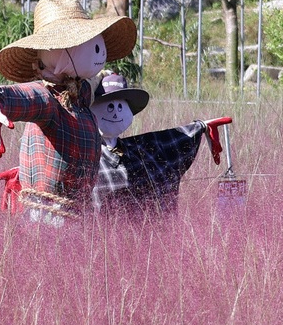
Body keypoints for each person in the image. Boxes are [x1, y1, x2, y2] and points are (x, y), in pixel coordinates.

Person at [0, 0, 136, 226]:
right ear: (59, 51)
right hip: (47, 217)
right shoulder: (48, 99)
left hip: (78, 214)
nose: (99, 51)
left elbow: (92, 87)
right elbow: (22, 95)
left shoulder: (80, 95)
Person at [90, 71, 225, 217]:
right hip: (99, 235)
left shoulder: (142, 150)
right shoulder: (84, 156)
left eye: (120, 107)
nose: (116, 113)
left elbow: (168, 141)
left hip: (144, 233)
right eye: (109, 106)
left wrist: (201, 127)